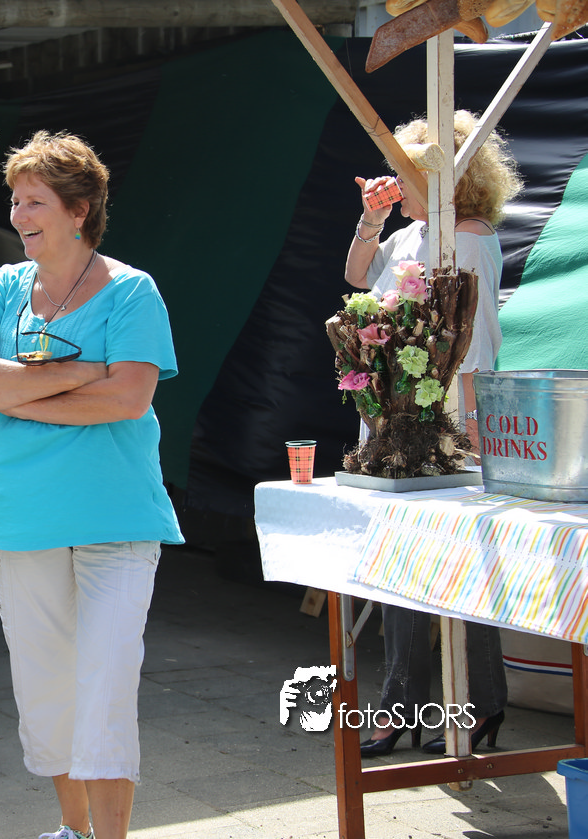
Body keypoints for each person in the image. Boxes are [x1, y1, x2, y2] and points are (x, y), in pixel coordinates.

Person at [0, 130, 182, 839]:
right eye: (15, 200)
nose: (18, 215)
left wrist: (14, 392)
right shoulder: (0, 286)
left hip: (116, 517)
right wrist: (74, 375)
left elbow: (128, 398)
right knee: (45, 686)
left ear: (79, 211)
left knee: (105, 685)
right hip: (20, 519)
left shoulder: (132, 291)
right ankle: (73, 830)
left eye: (35, 202)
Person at [345, 110, 523, 758]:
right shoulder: (416, 232)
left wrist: (469, 437)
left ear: (444, 175)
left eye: (405, 169)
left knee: (461, 565)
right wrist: (371, 220)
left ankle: (476, 702)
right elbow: (358, 276)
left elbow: (471, 345)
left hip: (444, 421)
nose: (395, 179)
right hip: (397, 418)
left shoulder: (467, 239)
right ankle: (410, 704)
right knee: (401, 564)